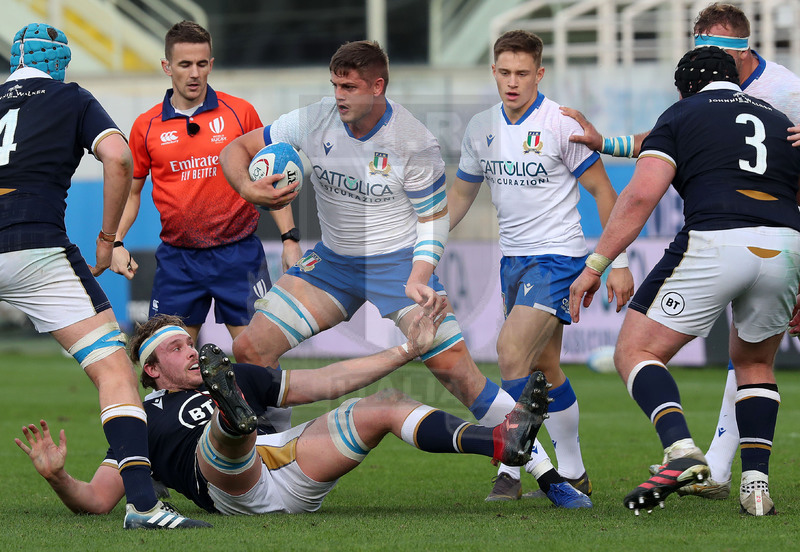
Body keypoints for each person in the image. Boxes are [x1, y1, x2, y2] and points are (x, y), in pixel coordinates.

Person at [220, 39, 576, 497]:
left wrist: (419, 275)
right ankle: (270, 450)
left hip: (398, 265)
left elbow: (434, 219)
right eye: (335, 85)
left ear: (377, 86)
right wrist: (249, 189)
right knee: (251, 347)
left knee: (460, 376)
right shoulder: (313, 119)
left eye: (349, 86)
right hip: (333, 263)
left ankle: (546, 474)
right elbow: (237, 149)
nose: (339, 96)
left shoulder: (414, 141)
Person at [561, 2, 800, 501]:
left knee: (636, 351)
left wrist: (598, 263)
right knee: (754, 364)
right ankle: (754, 486)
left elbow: (642, 195)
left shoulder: (690, 110)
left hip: (718, 238)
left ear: (684, 87)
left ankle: (680, 448)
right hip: (784, 244)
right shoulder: (778, 117)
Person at [16, 313, 551, 516]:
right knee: (225, 437)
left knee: (384, 406)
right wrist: (60, 477)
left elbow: (327, 382)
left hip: (288, 466)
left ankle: (502, 444)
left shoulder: (237, 374)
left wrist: (403, 353)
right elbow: (97, 501)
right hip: (232, 488)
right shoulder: (139, 417)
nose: (191, 352)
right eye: (177, 349)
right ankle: (232, 421)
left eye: (189, 342)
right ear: (152, 370)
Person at [0, 23, 208, 529]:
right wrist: (108, 239)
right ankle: (142, 505)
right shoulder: (69, 96)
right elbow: (117, 156)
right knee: (114, 370)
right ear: (57, 61)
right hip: (34, 245)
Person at [448, 30, 634, 504]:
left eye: (522, 73)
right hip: (513, 260)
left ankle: (512, 471)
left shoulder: (559, 123)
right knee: (546, 367)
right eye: (504, 72)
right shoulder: (479, 128)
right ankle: (573, 473)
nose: (512, 82)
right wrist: (421, 244)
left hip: (559, 258)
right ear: (494, 71)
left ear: (540, 73)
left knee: (510, 351)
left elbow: (604, 192)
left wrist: (615, 261)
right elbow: (462, 196)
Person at [111, 20, 300, 344]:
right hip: (178, 261)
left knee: (257, 356)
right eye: (185, 64)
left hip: (239, 255)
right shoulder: (146, 126)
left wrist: (290, 239)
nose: (195, 73)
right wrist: (115, 243)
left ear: (211, 64)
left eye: (201, 64)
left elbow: (272, 182)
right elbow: (132, 194)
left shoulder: (240, 114)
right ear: (167, 67)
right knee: (169, 359)